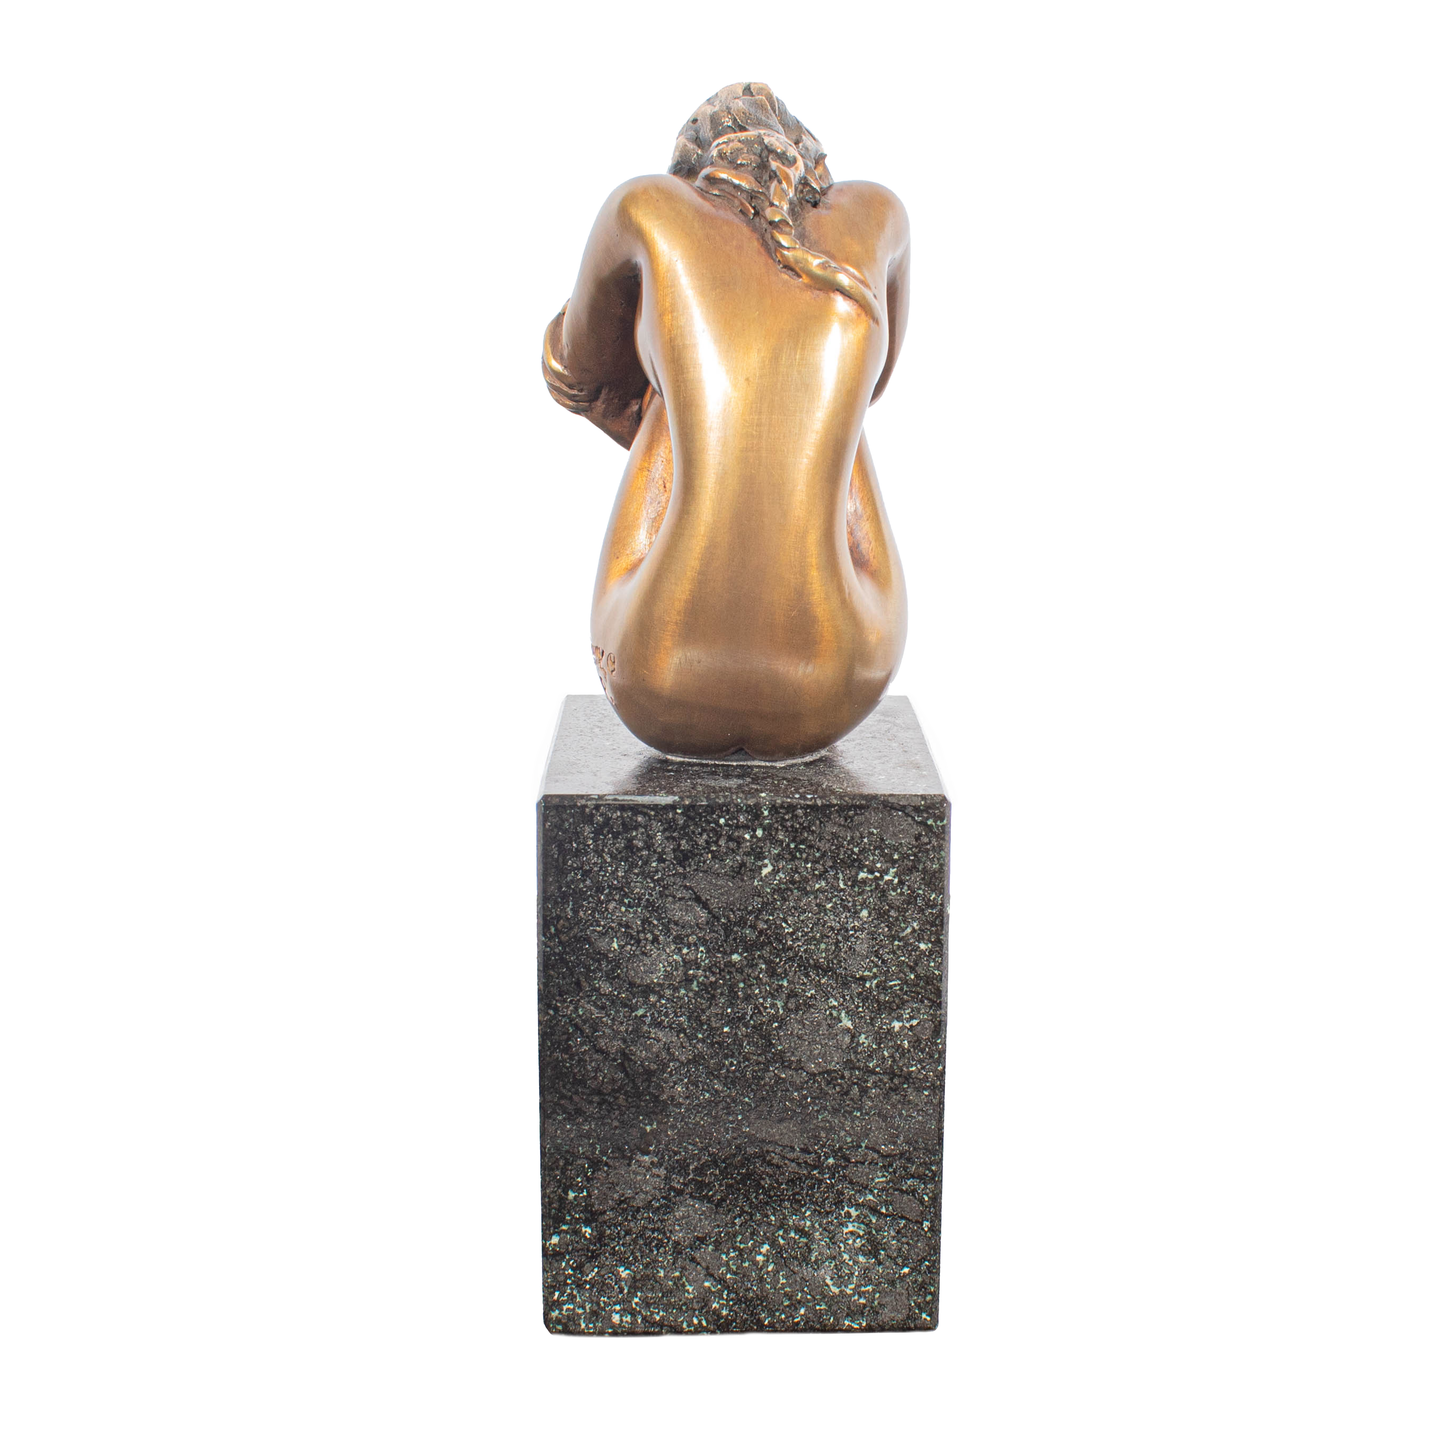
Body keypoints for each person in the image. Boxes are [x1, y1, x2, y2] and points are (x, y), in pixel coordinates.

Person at [542, 82, 910, 761]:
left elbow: (573, 371)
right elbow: (876, 382)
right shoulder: (879, 213)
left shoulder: (644, 206)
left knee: (672, 397)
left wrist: (664, 371)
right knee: (828, 397)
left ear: (697, 161)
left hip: (653, 672)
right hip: (846, 677)